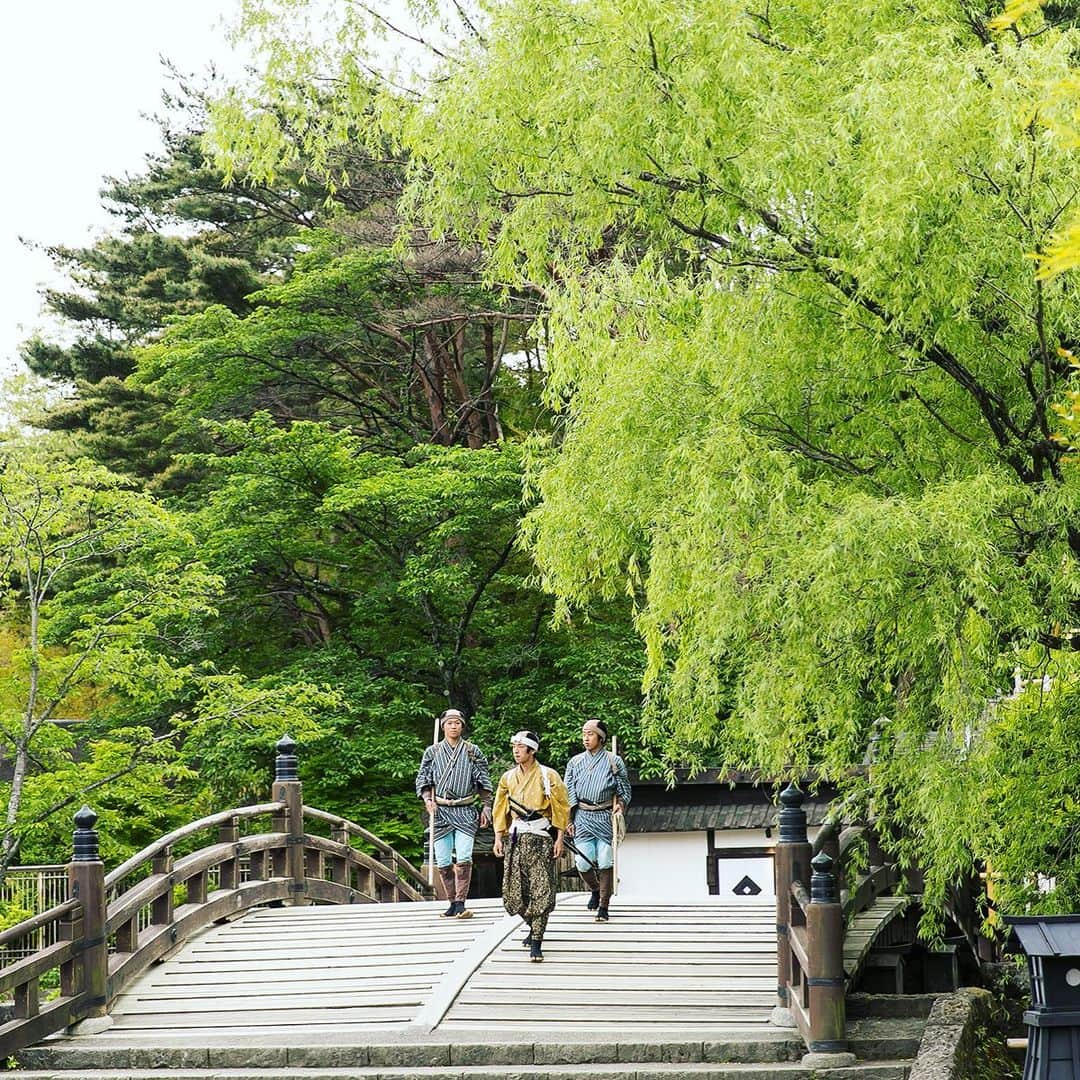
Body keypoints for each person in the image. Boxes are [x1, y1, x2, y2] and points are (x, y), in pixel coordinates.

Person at [492, 730, 570, 962]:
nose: (516, 750)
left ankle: (537, 939)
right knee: (514, 893)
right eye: (514, 746)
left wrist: (559, 838)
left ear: (532, 750)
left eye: (520, 746)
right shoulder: (507, 778)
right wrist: (498, 836)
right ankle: (532, 923)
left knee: (541, 889)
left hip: (540, 838)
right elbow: (500, 808)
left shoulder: (549, 775)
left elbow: (561, 808)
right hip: (516, 838)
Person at [415, 708, 493, 919]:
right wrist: (428, 800)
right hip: (440, 811)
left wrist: (487, 806)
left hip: (465, 809)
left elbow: (484, 781)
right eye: (449, 723)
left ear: (462, 726)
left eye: (457, 723)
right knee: (442, 860)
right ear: (443, 726)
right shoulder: (432, 752)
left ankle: (461, 902)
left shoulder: (472, 751)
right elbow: (423, 779)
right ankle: (451, 902)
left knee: (465, 856)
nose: (453, 726)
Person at [564, 717, 631, 922]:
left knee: (604, 860)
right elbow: (569, 791)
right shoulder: (575, 762)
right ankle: (594, 889)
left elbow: (624, 789)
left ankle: (604, 905)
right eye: (584, 734)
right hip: (583, 815)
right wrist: (569, 819)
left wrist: (620, 803)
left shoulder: (613, 761)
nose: (586, 738)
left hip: (604, 815)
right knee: (582, 862)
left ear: (600, 738)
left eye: (590, 734)